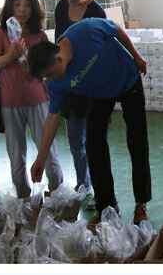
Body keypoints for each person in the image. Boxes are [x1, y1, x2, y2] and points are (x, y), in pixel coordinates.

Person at [28, 17, 152, 225]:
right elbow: (52, 117)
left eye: (49, 74)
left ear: (58, 59)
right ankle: (107, 207)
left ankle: (141, 204)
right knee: (94, 146)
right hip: (99, 95)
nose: (50, 80)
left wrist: (136, 56)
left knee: (137, 141)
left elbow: (116, 30)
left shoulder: (85, 32)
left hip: (127, 80)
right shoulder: (56, 83)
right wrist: (40, 159)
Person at [0, 0, 64, 199]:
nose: (22, 10)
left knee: (48, 150)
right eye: (17, 4)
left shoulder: (39, 36)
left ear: (34, 9)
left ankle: (58, 194)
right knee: (16, 154)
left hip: (38, 99)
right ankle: (23, 197)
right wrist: (11, 55)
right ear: (10, 6)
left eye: (28, 5)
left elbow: (49, 68)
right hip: (9, 102)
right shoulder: (1, 31)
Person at [54, 0, 106, 209]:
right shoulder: (61, 8)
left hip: (93, 85)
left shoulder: (96, 12)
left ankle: (100, 189)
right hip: (70, 83)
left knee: (94, 141)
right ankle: (83, 184)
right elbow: (58, 42)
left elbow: (103, 48)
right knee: (75, 140)